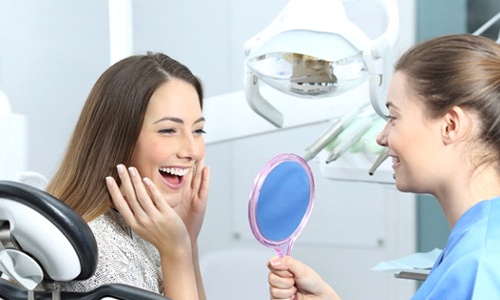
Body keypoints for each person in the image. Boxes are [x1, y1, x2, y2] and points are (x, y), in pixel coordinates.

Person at [267, 33, 500, 299]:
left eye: (393, 117)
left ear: (451, 126)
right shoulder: (477, 245)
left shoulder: (478, 266)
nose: (381, 137)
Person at [45, 52, 209, 300]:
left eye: (198, 130)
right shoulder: (100, 255)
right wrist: (178, 252)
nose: (193, 151)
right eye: (168, 130)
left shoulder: (150, 231)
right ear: (117, 141)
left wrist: (187, 239)